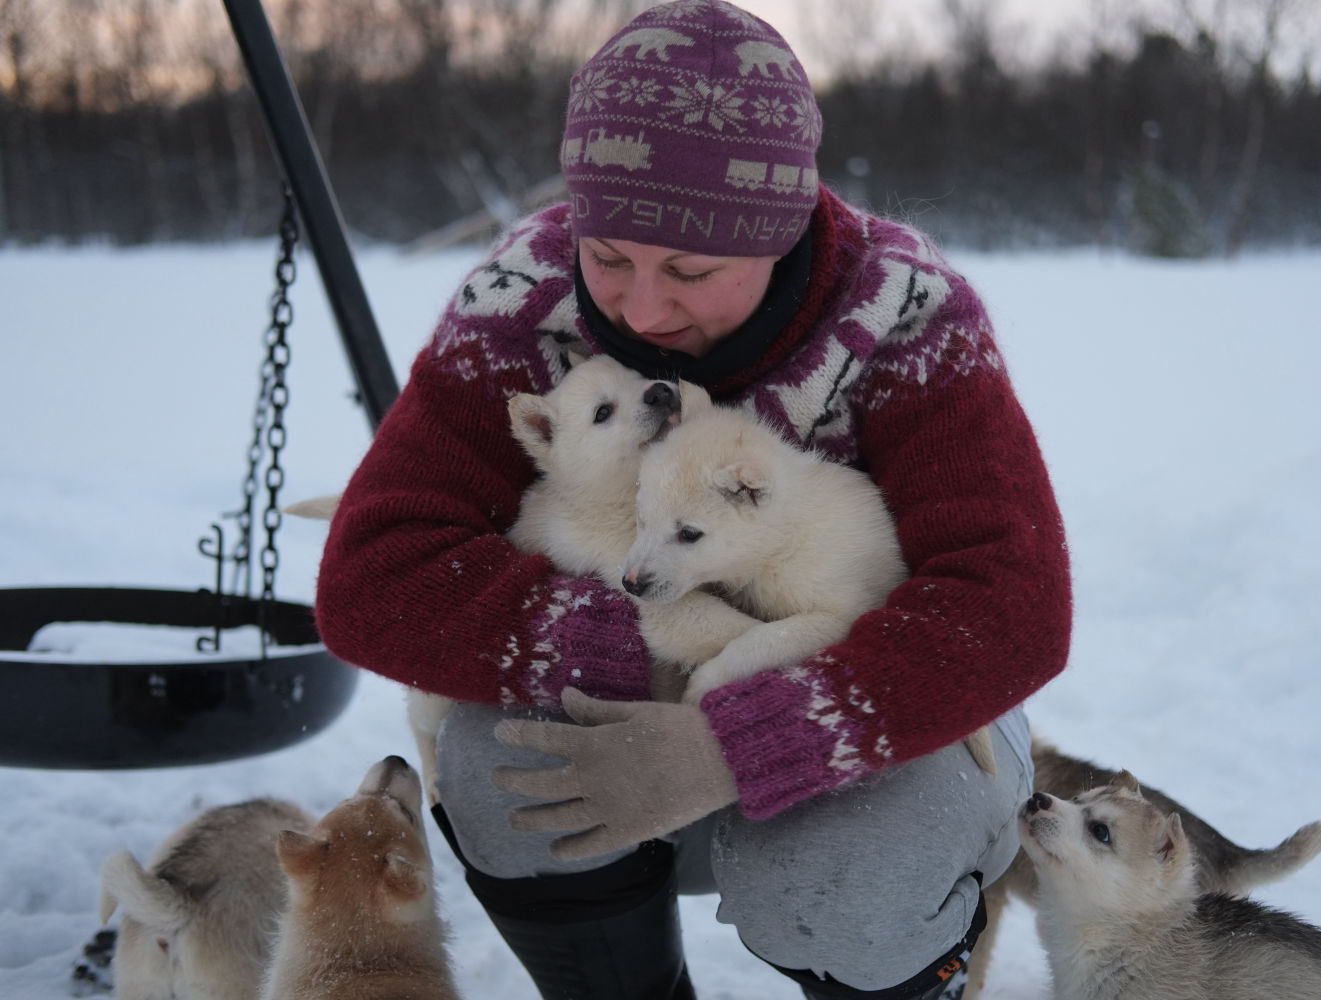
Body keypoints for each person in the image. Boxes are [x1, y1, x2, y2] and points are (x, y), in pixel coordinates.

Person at [312, 2, 1071, 997]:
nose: (640, 308)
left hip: (890, 718)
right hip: (637, 704)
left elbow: (1010, 606)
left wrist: (742, 739)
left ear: (780, 229)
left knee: (860, 861)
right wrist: (641, 643)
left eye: (690, 270)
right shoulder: (520, 298)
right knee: (508, 768)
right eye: (609, 256)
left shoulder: (907, 314)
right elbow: (373, 573)